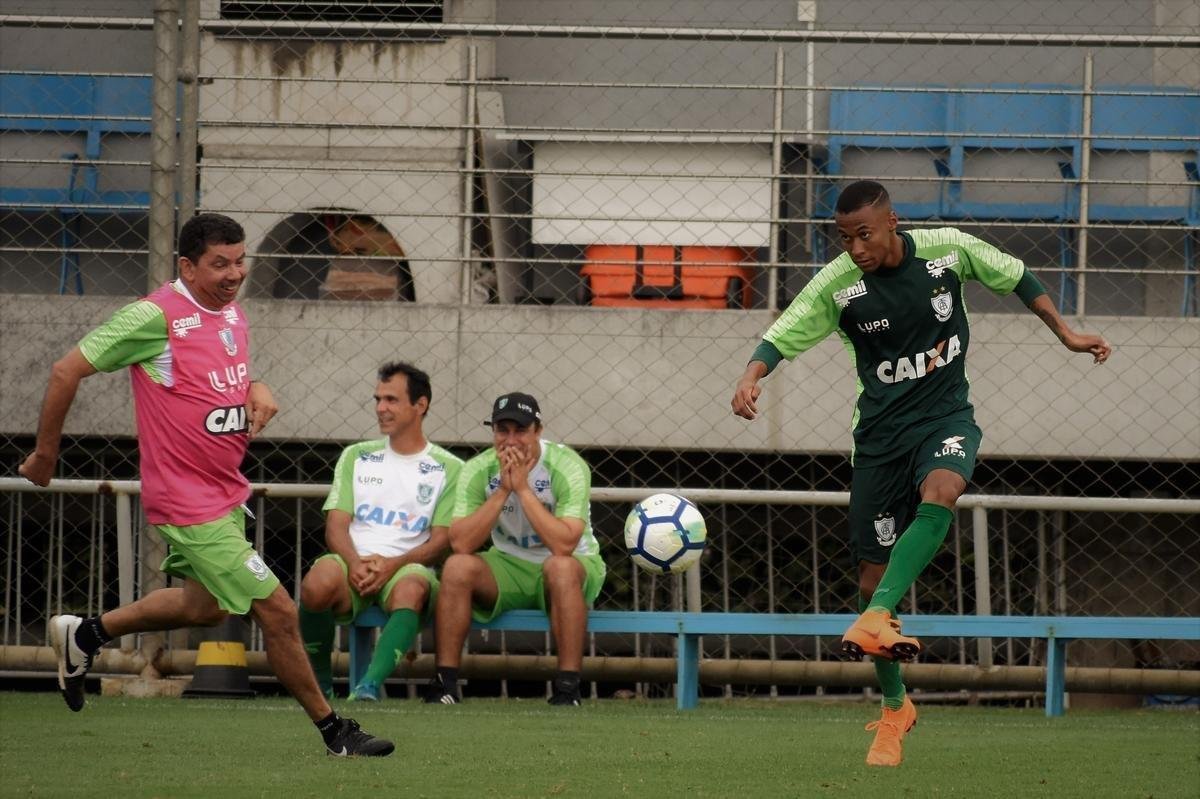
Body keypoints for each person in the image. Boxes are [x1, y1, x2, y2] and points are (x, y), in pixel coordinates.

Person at [730, 181, 1111, 767]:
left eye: (865, 234)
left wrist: (1066, 333)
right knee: (868, 579)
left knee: (945, 487)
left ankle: (879, 617)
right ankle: (895, 705)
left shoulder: (946, 251)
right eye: (845, 237)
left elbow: (1015, 274)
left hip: (944, 417)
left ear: (892, 223)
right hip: (879, 440)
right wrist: (752, 375)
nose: (855, 247)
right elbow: (783, 332)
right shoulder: (840, 284)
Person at [19, 213, 393, 758]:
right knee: (279, 611)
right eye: (219, 264)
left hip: (224, 491)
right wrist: (45, 454)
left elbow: (222, 378)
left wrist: (257, 387)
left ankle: (85, 634)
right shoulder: (154, 315)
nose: (233, 273)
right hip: (187, 500)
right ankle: (336, 731)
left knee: (201, 607)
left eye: (240, 261)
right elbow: (64, 371)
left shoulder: (231, 314)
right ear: (187, 266)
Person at [424, 392, 606, 706]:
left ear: (538, 431)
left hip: (572, 563)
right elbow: (461, 542)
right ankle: (445, 685)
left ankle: (567, 688)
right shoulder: (479, 468)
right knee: (457, 567)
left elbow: (564, 545)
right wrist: (503, 491)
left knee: (559, 567)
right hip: (508, 564)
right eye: (501, 430)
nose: (510, 440)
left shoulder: (567, 465)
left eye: (520, 431)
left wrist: (522, 489)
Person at [299, 361, 461, 701]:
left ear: (420, 405)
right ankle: (320, 686)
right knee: (316, 582)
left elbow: (442, 539)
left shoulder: (449, 467)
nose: (380, 408)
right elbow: (336, 525)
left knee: (412, 589)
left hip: (407, 567)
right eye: (378, 399)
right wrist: (355, 563)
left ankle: (368, 687)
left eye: (391, 400)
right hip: (353, 564)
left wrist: (392, 565)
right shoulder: (356, 456)